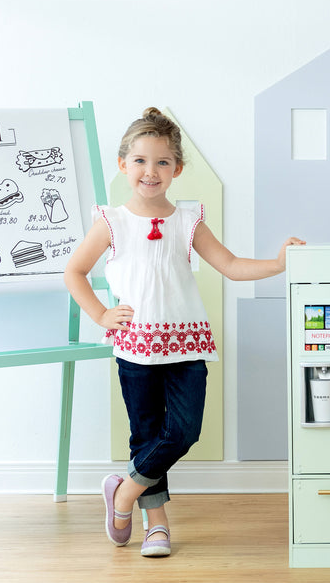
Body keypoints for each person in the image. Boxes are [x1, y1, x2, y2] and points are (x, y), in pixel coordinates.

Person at [64, 107, 304, 557]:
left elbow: (230, 266)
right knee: (147, 431)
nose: (149, 172)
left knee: (183, 430)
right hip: (135, 346)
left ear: (176, 168)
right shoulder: (111, 222)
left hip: (185, 343)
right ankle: (157, 525)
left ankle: (124, 493)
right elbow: (74, 271)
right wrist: (100, 315)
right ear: (123, 165)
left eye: (161, 162)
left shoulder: (187, 220)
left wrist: (277, 263)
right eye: (139, 161)